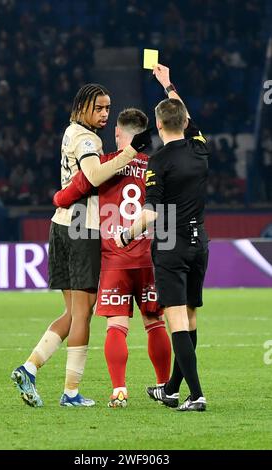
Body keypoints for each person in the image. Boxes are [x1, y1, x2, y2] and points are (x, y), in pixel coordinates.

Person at [11, 84, 151, 408]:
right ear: (85, 106)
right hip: (81, 229)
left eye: (108, 108)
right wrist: (130, 153)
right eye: (100, 108)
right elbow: (93, 175)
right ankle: (71, 393)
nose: (105, 114)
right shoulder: (88, 139)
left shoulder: (70, 131)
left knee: (73, 312)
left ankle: (29, 368)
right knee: (82, 315)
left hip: (61, 225)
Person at [53, 108, 171, 408]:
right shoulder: (155, 166)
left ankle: (119, 389)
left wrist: (57, 199)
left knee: (116, 325)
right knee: (155, 321)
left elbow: (68, 194)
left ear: (119, 133)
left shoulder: (104, 164)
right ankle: (163, 386)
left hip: (114, 260)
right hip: (147, 258)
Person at [116, 64, 209, 412]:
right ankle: (171, 389)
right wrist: (168, 85)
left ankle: (196, 395)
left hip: (171, 246)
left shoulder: (158, 161)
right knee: (190, 316)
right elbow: (184, 115)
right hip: (201, 244)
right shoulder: (201, 149)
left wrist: (126, 233)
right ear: (185, 122)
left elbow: (152, 214)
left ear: (157, 126)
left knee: (176, 321)